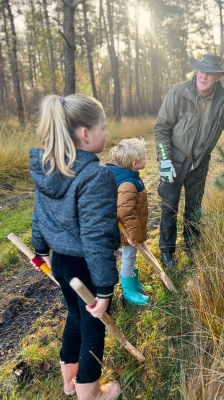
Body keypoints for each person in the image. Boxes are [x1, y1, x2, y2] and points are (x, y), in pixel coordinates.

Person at [30, 94, 121, 400]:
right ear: (85, 134)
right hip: (86, 266)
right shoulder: (96, 175)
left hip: (61, 262)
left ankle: (69, 381)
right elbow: (97, 237)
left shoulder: (50, 167)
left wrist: (40, 248)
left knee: (75, 316)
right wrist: (106, 288)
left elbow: (39, 213)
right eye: (103, 128)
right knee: (93, 327)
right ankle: (90, 393)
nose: (106, 134)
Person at [154, 54, 224, 268]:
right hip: (173, 162)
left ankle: (192, 247)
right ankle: (167, 253)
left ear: (218, 77)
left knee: (194, 208)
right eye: (201, 71)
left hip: (200, 163)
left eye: (209, 73)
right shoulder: (178, 91)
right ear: (197, 71)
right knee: (169, 207)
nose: (203, 76)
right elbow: (161, 128)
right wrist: (164, 159)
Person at [108, 138, 150, 305]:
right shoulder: (128, 183)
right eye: (144, 157)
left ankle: (134, 282)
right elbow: (125, 211)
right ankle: (128, 291)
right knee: (128, 257)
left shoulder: (130, 176)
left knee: (131, 257)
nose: (147, 158)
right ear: (134, 163)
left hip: (131, 229)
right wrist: (133, 235)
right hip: (126, 230)